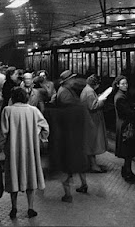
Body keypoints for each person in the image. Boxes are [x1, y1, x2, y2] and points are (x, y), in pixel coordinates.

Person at [0, 87, 49, 219]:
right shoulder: (33, 110)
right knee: (30, 175)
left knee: (13, 176)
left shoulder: (7, 110)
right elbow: (45, 127)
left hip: (13, 148)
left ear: (12, 97)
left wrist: (1, 146)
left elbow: (4, 132)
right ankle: (30, 208)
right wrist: (40, 136)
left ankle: (14, 208)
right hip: (30, 148)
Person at [50, 70, 89, 202]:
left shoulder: (67, 90)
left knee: (73, 163)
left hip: (71, 134)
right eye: (72, 79)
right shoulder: (64, 93)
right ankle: (68, 194)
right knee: (69, 164)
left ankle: (82, 185)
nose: (74, 81)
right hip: (69, 135)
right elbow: (69, 111)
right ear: (66, 81)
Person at [113, 75, 135, 182]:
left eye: (126, 83)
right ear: (117, 85)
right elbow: (128, 113)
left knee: (128, 151)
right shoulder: (120, 97)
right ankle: (127, 173)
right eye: (122, 84)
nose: (125, 85)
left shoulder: (120, 95)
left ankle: (126, 170)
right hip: (125, 126)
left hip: (123, 125)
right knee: (128, 151)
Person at [80, 74, 109, 172]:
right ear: (95, 84)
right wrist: (102, 100)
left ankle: (91, 164)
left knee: (90, 143)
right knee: (93, 144)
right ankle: (93, 166)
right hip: (92, 121)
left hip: (88, 119)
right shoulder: (90, 92)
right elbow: (93, 106)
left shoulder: (87, 90)